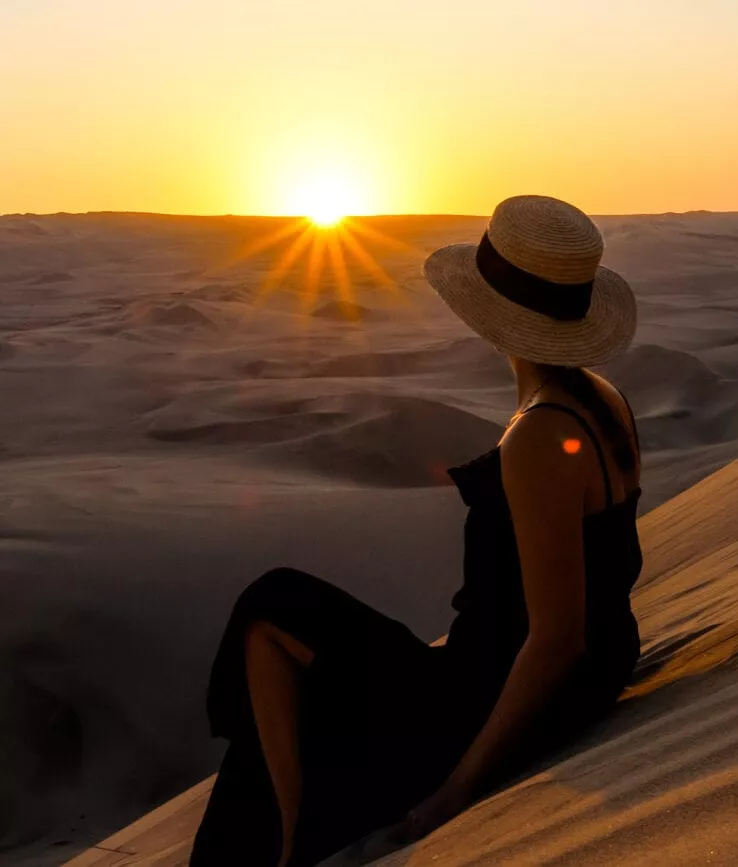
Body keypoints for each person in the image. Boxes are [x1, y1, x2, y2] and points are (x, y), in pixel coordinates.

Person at [190, 195, 643, 867]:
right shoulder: (602, 400)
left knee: (269, 607)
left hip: (487, 697)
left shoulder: (541, 436)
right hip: (584, 667)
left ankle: (290, 844)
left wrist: (454, 791)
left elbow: (555, 640)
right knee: (295, 634)